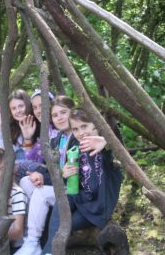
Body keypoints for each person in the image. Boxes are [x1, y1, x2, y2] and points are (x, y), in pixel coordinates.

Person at [41, 108, 123, 255]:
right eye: (76, 129)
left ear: (96, 125)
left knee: (64, 225)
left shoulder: (107, 149)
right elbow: (71, 182)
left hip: (97, 209)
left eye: (84, 126)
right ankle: (48, 252)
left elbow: (121, 156)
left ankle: (49, 252)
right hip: (81, 199)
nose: (80, 132)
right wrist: (64, 174)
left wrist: (106, 142)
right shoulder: (77, 148)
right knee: (61, 203)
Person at [14, 95, 76, 255]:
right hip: (56, 182)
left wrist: (45, 175)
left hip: (70, 189)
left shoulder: (72, 134)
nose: (59, 118)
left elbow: (65, 170)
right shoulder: (55, 136)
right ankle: (31, 239)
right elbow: (41, 162)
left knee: (37, 189)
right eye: (56, 115)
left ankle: (33, 240)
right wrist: (28, 139)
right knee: (26, 181)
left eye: (63, 113)